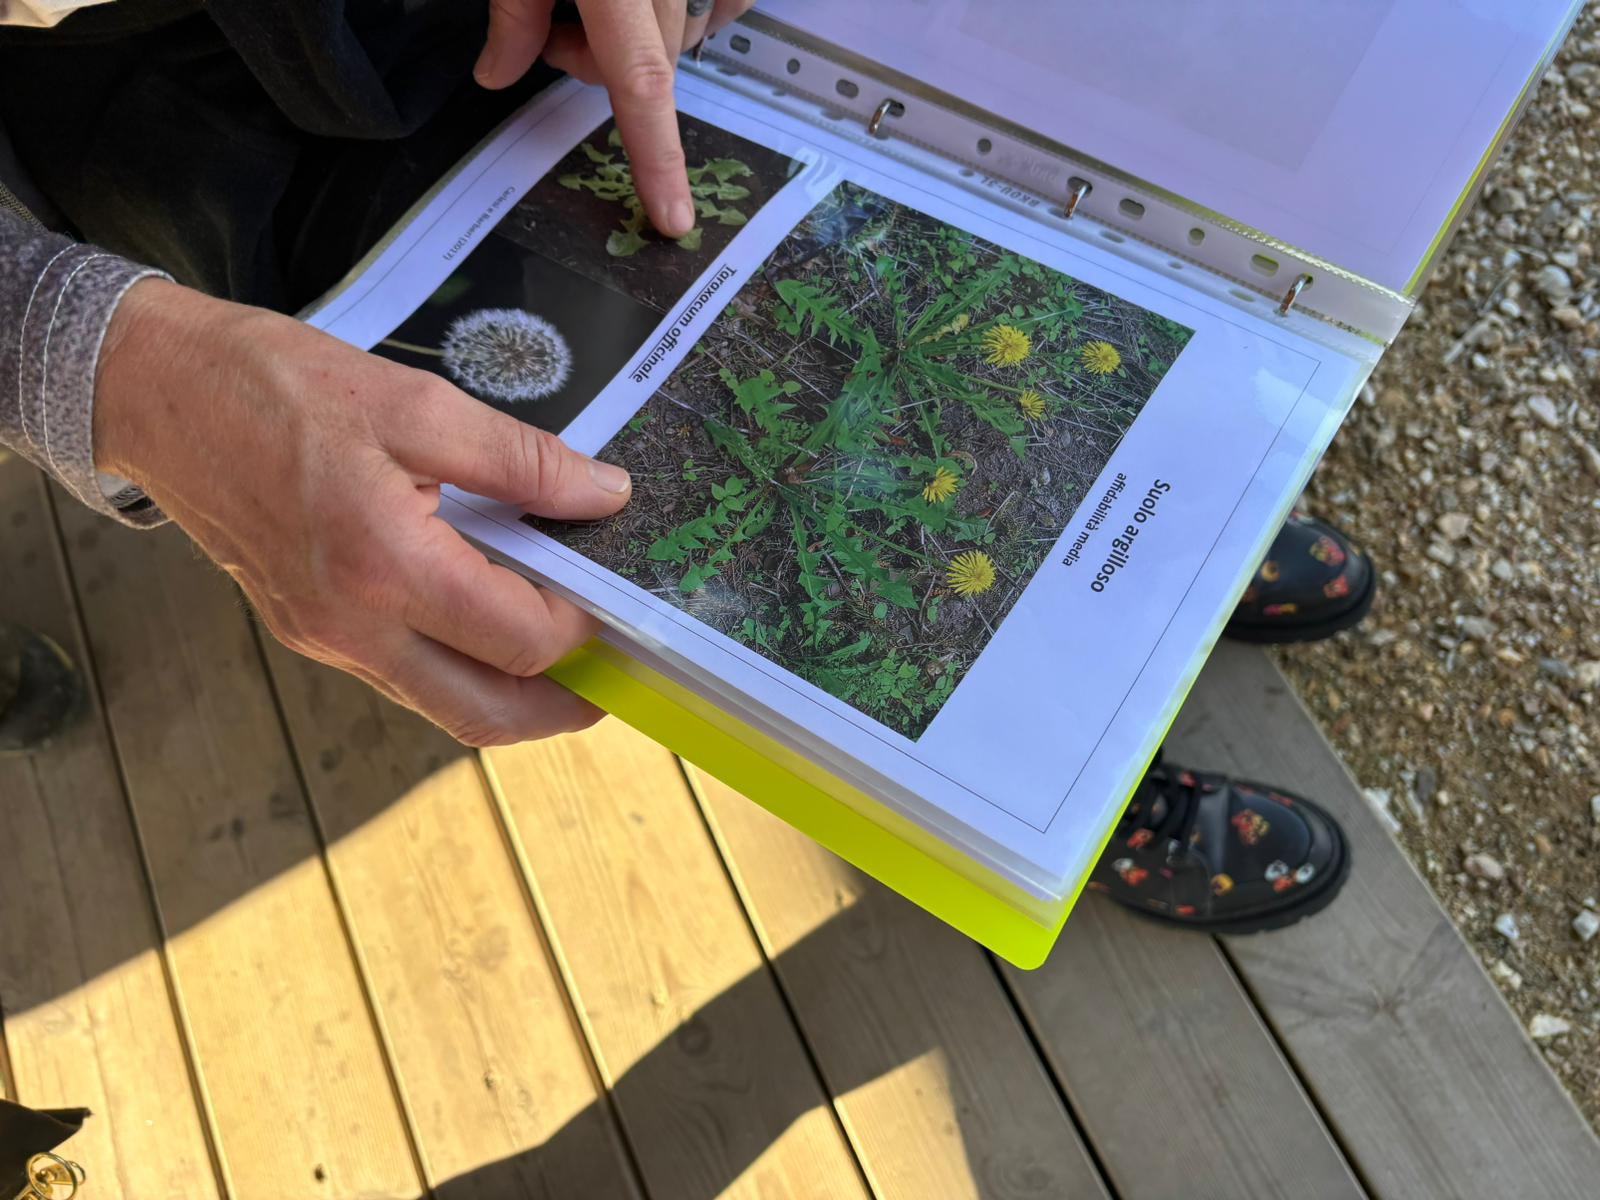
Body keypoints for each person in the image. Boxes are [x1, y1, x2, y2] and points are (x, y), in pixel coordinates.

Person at [0, 0, 1374, 933]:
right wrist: (105, 363)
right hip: (167, 177)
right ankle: (1057, 773)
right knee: (760, 550)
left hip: (583, 58)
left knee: (866, 313)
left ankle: (1159, 562)